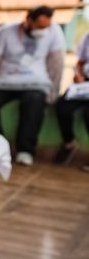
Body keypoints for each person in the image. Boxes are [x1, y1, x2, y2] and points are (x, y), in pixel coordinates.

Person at [0, 6, 65, 166]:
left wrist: (54, 90)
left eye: (46, 26)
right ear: (28, 20)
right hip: (5, 82)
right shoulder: (6, 32)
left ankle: (25, 149)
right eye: (39, 25)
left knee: (35, 100)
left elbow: (56, 63)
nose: (42, 30)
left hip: (35, 83)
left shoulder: (54, 32)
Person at [53, 30, 89, 168]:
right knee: (63, 106)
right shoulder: (87, 36)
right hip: (83, 84)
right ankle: (69, 143)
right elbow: (80, 62)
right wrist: (78, 75)